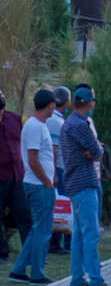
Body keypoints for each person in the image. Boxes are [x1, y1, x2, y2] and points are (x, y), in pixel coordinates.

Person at [8, 89, 56, 285]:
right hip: (38, 185)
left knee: (38, 229)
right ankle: (37, 274)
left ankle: (18, 270)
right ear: (50, 105)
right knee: (43, 230)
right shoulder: (36, 127)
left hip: (37, 183)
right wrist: (46, 181)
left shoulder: (37, 125)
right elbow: (33, 159)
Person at [60, 86, 105, 286]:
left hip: (74, 183)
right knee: (91, 234)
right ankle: (95, 279)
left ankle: (77, 279)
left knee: (78, 235)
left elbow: (93, 151)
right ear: (89, 103)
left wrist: (93, 152)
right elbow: (97, 150)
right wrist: (94, 151)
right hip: (85, 182)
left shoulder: (68, 122)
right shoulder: (80, 124)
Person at [0, 87, 31, 266]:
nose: (1, 98)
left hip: (17, 176)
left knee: (24, 214)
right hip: (0, 177)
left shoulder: (14, 119)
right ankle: (2, 252)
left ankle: (30, 251)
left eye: (1, 94)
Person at [47, 87, 71, 255]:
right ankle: (54, 243)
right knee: (59, 206)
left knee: (61, 205)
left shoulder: (59, 119)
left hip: (61, 167)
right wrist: (55, 172)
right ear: (66, 101)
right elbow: (54, 149)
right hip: (59, 168)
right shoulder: (55, 121)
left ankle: (58, 242)